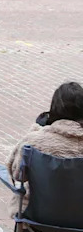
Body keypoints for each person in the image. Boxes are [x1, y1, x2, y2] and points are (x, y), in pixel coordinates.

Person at [7, 82, 83, 217]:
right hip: (80, 220)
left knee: (29, 195)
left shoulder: (34, 142)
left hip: (40, 215)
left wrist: (35, 129)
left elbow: (18, 174)